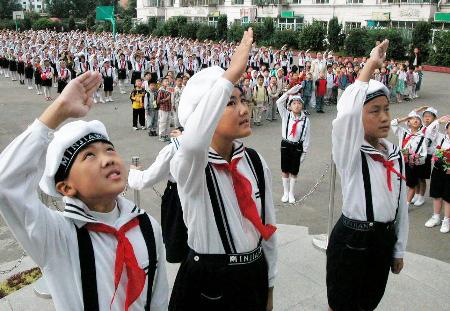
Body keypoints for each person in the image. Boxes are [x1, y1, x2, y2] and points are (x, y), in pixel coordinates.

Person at [0, 71, 168, 310]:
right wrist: (58, 111)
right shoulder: (57, 235)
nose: (107, 159)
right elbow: (6, 182)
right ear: (65, 187)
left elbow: (159, 299)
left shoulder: (147, 225)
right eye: (89, 155)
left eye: (109, 149)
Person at [169, 28, 277, 311]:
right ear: (205, 116)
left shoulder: (253, 162)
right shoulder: (191, 165)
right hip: (209, 282)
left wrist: (269, 285)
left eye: (243, 100)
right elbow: (192, 143)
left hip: (252, 274)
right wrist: (229, 75)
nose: (244, 109)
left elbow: (268, 228)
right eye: (230, 103)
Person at [328, 40, 408, 311]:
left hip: (382, 241)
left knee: (368, 303)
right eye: (374, 111)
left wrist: (398, 248)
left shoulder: (394, 153)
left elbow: (400, 207)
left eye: (387, 109)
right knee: (342, 304)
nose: (385, 117)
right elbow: (347, 111)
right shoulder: (350, 151)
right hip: (353, 240)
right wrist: (371, 65)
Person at [128, 130, 189, 262]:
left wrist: (133, 172)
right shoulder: (211, 141)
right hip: (201, 197)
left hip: (178, 199)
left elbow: (145, 180)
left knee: (180, 246)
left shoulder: (173, 148)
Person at [276, 85, 310, 204]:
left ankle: (291, 192)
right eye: (294, 103)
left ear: (302, 105)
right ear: (289, 106)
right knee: (285, 169)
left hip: (297, 146)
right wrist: (289, 92)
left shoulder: (305, 119)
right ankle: (285, 192)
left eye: (299, 103)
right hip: (286, 144)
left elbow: (306, 136)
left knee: (294, 171)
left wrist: (304, 151)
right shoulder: (286, 115)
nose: (297, 105)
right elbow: (279, 102)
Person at [391, 111, 427, 205]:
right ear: (408, 122)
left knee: (411, 184)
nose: (416, 120)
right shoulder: (403, 132)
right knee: (401, 182)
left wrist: (415, 158)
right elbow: (393, 124)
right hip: (400, 161)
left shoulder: (422, 137)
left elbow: (424, 154)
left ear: (420, 124)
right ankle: (400, 200)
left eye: (418, 119)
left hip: (412, 164)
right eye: (412, 119)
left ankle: (406, 205)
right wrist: (405, 118)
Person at [425, 117, 450, 233]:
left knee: (448, 197)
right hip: (438, 170)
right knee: (436, 194)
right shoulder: (440, 137)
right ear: (446, 129)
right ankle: (436, 217)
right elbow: (428, 131)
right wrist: (437, 121)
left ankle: (446, 220)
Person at [157, 77, 173, 142]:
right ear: (162, 83)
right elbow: (158, 101)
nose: (167, 82)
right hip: (163, 109)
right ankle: (161, 135)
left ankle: (166, 135)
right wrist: (166, 99)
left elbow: (173, 96)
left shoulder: (169, 89)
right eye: (165, 81)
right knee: (163, 122)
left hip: (169, 108)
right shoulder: (161, 91)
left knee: (168, 122)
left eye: (167, 81)